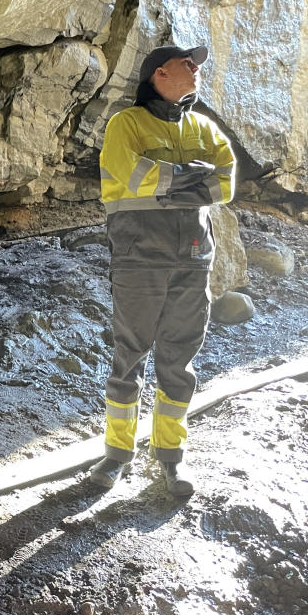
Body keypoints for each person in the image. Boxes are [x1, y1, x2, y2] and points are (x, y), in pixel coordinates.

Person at [88, 44, 236, 497]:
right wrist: (190, 180)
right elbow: (132, 175)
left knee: (179, 360)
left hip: (193, 256)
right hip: (139, 256)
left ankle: (170, 460)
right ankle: (116, 455)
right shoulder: (125, 125)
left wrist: (168, 181)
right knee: (128, 355)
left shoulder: (204, 126)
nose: (195, 70)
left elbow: (226, 183)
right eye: (186, 64)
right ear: (159, 73)